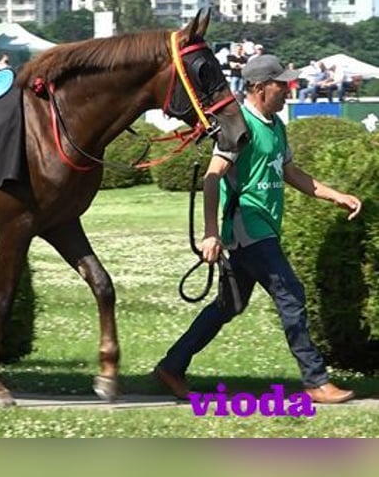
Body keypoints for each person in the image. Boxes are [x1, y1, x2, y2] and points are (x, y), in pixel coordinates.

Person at [153, 54, 362, 405]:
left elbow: (291, 173)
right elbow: (211, 177)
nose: (288, 89)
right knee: (291, 295)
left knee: (228, 306)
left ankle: (171, 367)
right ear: (260, 87)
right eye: (282, 84)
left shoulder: (276, 125)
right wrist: (210, 232)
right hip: (248, 227)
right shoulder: (239, 127)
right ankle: (315, 381)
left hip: (260, 229)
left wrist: (336, 196)